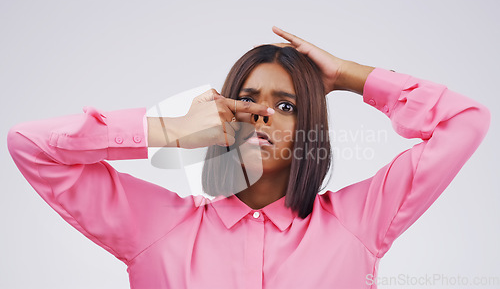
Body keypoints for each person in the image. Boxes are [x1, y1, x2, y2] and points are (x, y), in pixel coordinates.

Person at [7, 26, 490, 289]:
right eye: (248, 100)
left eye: (287, 106)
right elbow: (31, 146)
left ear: (310, 129)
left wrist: (347, 75)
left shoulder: (360, 221)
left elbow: (464, 122)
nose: (263, 115)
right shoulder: (152, 227)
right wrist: (168, 129)